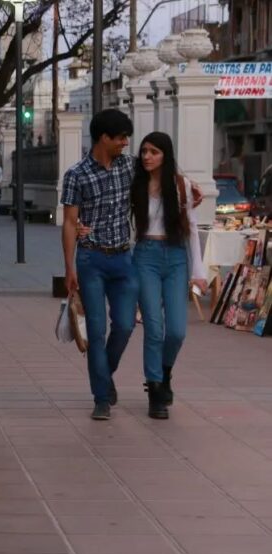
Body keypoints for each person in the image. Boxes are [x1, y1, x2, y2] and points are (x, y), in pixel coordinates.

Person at [63, 112, 203, 421]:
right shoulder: (77, 174)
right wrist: (69, 267)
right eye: (122, 138)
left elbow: (165, 169)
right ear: (104, 138)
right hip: (95, 259)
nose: (128, 144)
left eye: (128, 138)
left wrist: (191, 189)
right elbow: (70, 222)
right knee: (99, 330)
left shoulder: (130, 167)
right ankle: (105, 397)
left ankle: (110, 374)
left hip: (126, 258)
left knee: (128, 326)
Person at [130, 132, 207, 419]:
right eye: (144, 151)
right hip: (145, 256)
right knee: (153, 327)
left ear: (166, 155)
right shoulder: (135, 184)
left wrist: (198, 271)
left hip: (175, 258)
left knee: (176, 331)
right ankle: (155, 390)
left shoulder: (181, 185)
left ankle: (164, 372)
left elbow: (192, 228)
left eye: (154, 152)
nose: (147, 157)